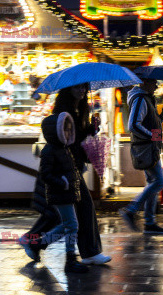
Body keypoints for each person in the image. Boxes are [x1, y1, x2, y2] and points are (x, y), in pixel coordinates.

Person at [21, 84, 111, 265]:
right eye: (77, 88)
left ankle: (35, 242)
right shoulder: (64, 110)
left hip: (71, 164)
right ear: (68, 90)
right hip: (63, 166)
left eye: (84, 88)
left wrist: (92, 128)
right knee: (76, 210)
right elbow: (63, 137)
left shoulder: (81, 109)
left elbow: (76, 137)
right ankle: (84, 253)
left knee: (61, 212)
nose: (81, 91)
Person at [23, 112, 88, 273]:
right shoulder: (50, 150)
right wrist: (64, 183)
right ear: (55, 131)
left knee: (68, 225)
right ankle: (70, 260)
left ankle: (38, 244)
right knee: (72, 225)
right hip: (60, 193)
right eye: (64, 130)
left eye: (68, 130)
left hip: (66, 193)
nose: (67, 133)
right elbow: (46, 174)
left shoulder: (64, 148)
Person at [119, 78, 163, 234]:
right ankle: (131, 209)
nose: (156, 86)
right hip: (147, 148)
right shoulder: (140, 99)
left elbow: (149, 123)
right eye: (153, 83)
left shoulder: (146, 99)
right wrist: (152, 137)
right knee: (159, 182)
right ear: (144, 83)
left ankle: (149, 222)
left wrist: (162, 117)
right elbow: (133, 125)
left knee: (153, 182)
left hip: (150, 148)